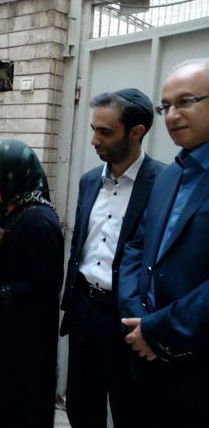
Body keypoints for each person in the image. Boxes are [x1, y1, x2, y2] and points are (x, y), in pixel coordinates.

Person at [60, 89, 164, 428]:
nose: (94, 140)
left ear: (136, 132)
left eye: (105, 132)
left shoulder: (164, 183)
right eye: (93, 129)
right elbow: (81, 244)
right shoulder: (89, 180)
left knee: (129, 410)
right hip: (84, 310)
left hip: (129, 318)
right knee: (81, 405)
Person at [119, 58, 209, 428]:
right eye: (165, 106)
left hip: (198, 366)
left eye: (186, 101)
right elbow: (137, 247)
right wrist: (137, 318)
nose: (172, 116)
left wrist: (159, 329)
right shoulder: (169, 176)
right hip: (144, 356)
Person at [0, 140, 64, 428]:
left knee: (14, 408)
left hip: (22, 343)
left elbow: (45, 286)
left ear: (13, 175)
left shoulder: (39, 222)